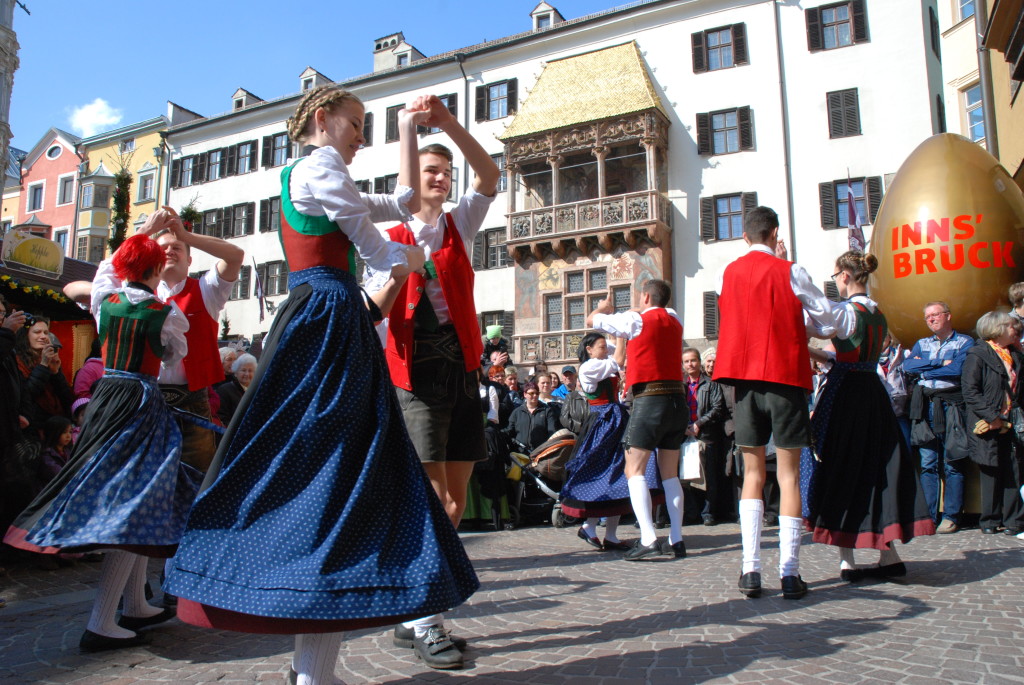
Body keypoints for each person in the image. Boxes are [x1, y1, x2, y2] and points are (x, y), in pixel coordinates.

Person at [164, 86, 476, 684]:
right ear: (321, 119)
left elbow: (400, 199)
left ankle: (313, 670)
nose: (361, 136)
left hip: (318, 314)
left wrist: (409, 131)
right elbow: (374, 243)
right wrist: (414, 263)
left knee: (326, 471)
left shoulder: (297, 173)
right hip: (331, 316)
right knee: (340, 471)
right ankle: (314, 669)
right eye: (356, 124)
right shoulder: (322, 163)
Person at [5, 233, 190, 652]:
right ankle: (102, 621)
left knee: (141, 503)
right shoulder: (166, 311)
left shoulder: (105, 300)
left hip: (107, 399)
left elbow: (103, 273)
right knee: (137, 506)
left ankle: (136, 605)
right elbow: (174, 357)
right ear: (157, 268)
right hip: (141, 403)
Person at [363, 95, 498, 667]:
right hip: (414, 374)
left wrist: (448, 125)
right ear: (410, 177)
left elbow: (491, 175)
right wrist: (398, 272)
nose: (441, 179)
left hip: (462, 368)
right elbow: (376, 308)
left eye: (446, 172)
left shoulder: (459, 223)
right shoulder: (383, 235)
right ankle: (424, 615)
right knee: (432, 499)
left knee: (457, 497)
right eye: (430, 171)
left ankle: (418, 611)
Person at [713, 206, 836, 600]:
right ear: (774, 234)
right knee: (788, 476)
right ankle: (789, 573)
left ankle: (750, 571)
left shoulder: (728, 273)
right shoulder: (790, 270)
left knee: (752, 474)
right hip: (784, 379)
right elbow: (829, 321)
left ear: (745, 237)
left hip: (744, 383)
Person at [801, 251, 935, 583]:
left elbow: (806, 325)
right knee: (879, 466)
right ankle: (888, 554)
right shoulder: (877, 313)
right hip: (872, 391)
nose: (835, 282)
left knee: (839, 465)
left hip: (847, 395)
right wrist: (819, 355)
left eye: (835, 277)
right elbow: (847, 357)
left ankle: (847, 559)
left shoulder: (845, 312)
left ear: (844, 276)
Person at [588, 279, 688, 561]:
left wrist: (602, 308)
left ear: (645, 296)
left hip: (650, 400)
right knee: (670, 473)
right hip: (676, 401)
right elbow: (653, 312)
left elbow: (592, 320)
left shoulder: (635, 320)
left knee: (635, 471)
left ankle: (648, 537)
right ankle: (677, 539)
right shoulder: (673, 317)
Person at [560, 332, 652, 552]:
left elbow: (614, 353)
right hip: (603, 422)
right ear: (589, 349)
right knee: (602, 473)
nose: (605, 349)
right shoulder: (588, 367)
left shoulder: (601, 361)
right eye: (600, 347)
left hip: (615, 420)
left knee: (621, 474)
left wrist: (611, 332)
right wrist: (621, 334)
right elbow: (618, 359)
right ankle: (589, 526)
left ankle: (610, 534)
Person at [903, 301, 975, 534]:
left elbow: (957, 370)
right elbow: (907, 366)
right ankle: (928, 517)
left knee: (953, 461)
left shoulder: (965, 342)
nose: (931, 319)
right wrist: (937, 363)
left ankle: (951, 515)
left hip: (951, 406)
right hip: (925, 407)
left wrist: (924, 368)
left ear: (948, 316)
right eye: (927, 317)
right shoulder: (922, 343)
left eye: (935, 315)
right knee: (928, 462)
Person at [961, 311, 1024, 536]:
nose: (1015, 329)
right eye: (1009, 326)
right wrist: (992, 417)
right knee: (991, 471)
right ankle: (989, 520)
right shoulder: (978, 354)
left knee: (1014, 470)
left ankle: (1014, 521)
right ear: (996, 329)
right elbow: (970, 391)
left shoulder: (1014, 355)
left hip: (1011, 422)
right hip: (987, 423)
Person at [681, 347, 730, 526]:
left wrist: (698, 424)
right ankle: (692, 512)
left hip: (706, 434)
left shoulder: (711, 384)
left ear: (699, 362)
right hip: (685, 436)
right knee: (688, 476)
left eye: (693, 360)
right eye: (686, 361)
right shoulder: (682, 386)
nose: (690, 364)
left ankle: (708, 512)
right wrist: (684, 427)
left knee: (709, 476)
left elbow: (717, 408)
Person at [16, 316, 73, 438]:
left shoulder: (51, 359)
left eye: (46, 332)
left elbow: (67, 399)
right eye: (37, 332)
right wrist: (43, 365)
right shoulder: (17, 362)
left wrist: (56, 373)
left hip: (56, 428)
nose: (43, 336)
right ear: (25, 335)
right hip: (32, 429)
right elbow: (26, 395)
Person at [505, 382, 559, 452]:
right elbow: (509, 430)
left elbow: (552, 432)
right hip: (520, 453)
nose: (535, 395)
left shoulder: (547, 411)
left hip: (540, 452)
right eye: (531, 393)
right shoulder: (517, 412)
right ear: (525, 394)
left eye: (537, 393)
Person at [215, 353, 256, 425]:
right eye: (243, 370)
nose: (247, 374)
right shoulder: (224, 390)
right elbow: (222, 417)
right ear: (236, 373)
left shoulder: (257, 390)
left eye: (250, 371)